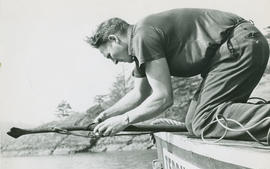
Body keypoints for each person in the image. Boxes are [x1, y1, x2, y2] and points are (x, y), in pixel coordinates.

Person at [87, 8, 270, 142]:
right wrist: (106, 115)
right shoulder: (140, 43)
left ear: (114, 39)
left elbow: (163, 98)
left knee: (203, 120)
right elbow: (139, 94)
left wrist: (124, 120)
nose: (115, 62)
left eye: (110, 55)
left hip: (239, 45)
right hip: (244, 44)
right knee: (193, 123)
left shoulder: (143, 37)